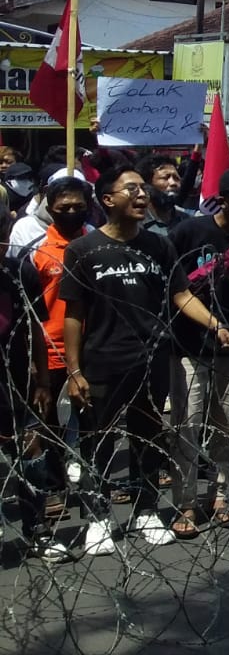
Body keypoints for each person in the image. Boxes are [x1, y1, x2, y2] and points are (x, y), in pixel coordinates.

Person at [61, 164, 229, 554]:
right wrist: (74, 371)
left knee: (148, 438)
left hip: (153, 359)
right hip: (103, 361)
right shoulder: (83, 250)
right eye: (131, 189)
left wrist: (215, 324)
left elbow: (181, 294)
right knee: (99, 443)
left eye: (143, 188)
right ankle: (100, 517)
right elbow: (74, 314)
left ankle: (145, 511)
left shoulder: (159, 246)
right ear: (107, 200)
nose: (142, 195)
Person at [167, 166, 229, 535]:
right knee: (188, 424)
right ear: (223, 200)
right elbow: (171, 284)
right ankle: (187, 502)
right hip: (189, 345)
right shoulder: (190, 232)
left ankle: (221, 494)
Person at [18, 176, 93, 512]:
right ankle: (54, 486)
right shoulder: (36, 250)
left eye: (78, 206)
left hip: (94, 348)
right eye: (64, 207)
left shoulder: (98, 242)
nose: (72, 211)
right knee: (50, 424)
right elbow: (30, 311)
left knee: (94, 422)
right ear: (49, 208)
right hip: (50, 349)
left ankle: (94, 484)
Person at [0, 234, 72, 561]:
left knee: (32, 454)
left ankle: (36, 528)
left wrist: (43, 379)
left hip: (17, 380)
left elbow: (34, 327)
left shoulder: (18, 272)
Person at [137, 153, 190, 237]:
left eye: (176, 178)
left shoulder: (187, 220)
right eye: (165, 178)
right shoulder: (136, 223)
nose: (173, 183)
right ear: (147, 185)